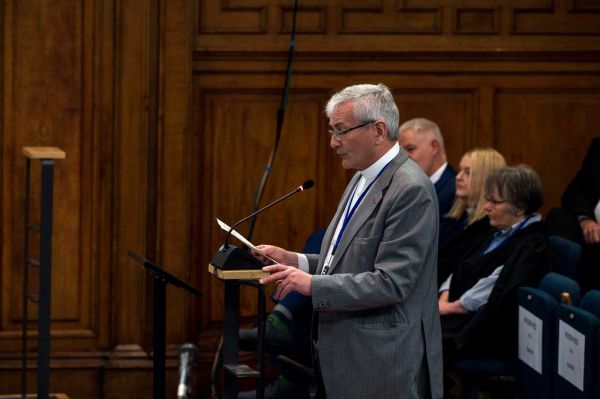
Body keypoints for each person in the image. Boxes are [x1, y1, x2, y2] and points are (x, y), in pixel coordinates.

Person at [255, 83, 443, 399]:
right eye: (332, 131)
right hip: (346, 355)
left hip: (382, 364)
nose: (333, 142)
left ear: (378, 130)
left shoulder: (410, 190)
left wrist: (311, 285)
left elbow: (391, 282)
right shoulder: (361, 176)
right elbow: (349, 259)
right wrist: (296, 260)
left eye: (341, 131)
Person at [438, 165, 556, 366]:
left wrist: (448, 308)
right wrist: (444, 298)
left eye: (494, 202)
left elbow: (495, 288)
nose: (487, 207)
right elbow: (460, 264)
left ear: (519, 207)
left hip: (480, 328)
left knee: (412, 340)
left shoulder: (532, 246)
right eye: (487, 200)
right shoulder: (493, 229)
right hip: (452, 311)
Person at [546, 137, 600, 293]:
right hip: (591, 237)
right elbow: (574, 190)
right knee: (558, 218)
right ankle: (558, 296)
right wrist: (586, 219)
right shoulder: (598, 147)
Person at [438, 148, 506, 248]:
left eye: (468, 173)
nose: (458, 177)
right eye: (460, 170)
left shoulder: (490, 228)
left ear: (486, 179)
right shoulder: (457, 218)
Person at [398, 118, 456, 222]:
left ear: (434, 147)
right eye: (400, 151)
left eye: (410, 149)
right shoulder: (405, 189)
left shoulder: (456, 191)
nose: (403, 157)